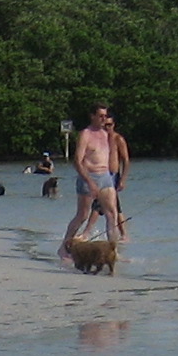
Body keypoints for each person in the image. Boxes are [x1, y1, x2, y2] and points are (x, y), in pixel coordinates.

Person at [61, 104, 128, 257]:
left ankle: (113, 252)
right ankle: (64, 248)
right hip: (88, 176)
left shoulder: (106, 135)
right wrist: (89, 181)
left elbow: (112, 159)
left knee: (112, 214)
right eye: (100, 116)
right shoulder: (85, 134)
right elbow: (77, 161)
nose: (103, 119)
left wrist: (119, 177)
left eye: (105, 116)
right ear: (93, 116)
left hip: (105, 177)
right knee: (82, 215)